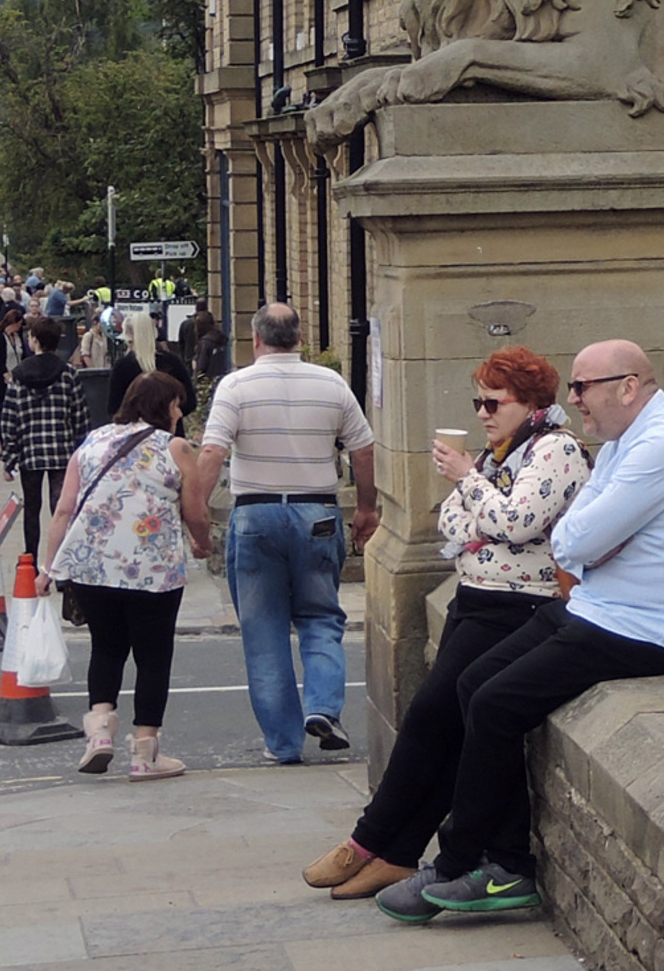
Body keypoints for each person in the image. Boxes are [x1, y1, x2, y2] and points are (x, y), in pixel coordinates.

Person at [374, 340, 664, 924]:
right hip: (603, 606)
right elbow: (573, 535)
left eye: (581, 387)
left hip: (648, 628)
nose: (571, 400)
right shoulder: (626, 441)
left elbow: (572, 539)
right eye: (571, 387)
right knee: (473, 683)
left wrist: (588, 540)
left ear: (628, 386)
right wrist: (588, 540)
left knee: (494, 703)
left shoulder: (663, 444)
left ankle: (466, 861)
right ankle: (507, 860)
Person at [303, 346, 590, 900]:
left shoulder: (555, 450)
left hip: (518, 603)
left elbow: (518, 521)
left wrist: (469, 482)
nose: (483, 413)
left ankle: (374, 842)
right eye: (478, 401)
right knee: (442, 724)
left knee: (431, 716)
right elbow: (454, 521)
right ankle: (392, 850)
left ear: (531, 403)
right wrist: (476, 491)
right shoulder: (499, 455)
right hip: (474, 597)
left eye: (494, 402)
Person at [191, 302, 377, 764]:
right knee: (320, 618)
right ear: (298, 337)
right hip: (317, 511)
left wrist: (195, 512)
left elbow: (213, 453)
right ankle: (324, 708)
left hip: (255, 514)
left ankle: (283, 744)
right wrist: (368, 507)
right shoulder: (331, 384)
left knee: (264, 630)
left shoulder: (235, 386)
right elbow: (364, 449)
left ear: (256, 339)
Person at [36, 370, 211, 780]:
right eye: (175, 403)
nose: (180, 411)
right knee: (153, 656)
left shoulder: (93, 442)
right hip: (153, 570)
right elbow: (196, 511)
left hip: (93, 568)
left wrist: (49, 567)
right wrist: (201, 542)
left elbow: (63, 510)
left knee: (107, 647)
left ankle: (99, 733)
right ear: (161, 406)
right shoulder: (176, 447)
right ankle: (145, 754)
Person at [0, 316, 89, 554]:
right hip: (62, 451)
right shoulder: (68, 374)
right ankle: (60, 560)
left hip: (30, 452)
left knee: (32, 508)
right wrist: (81, 450)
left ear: (35, 341)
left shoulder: (18, 375)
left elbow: (10, 419)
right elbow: (80, 416)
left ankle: (30, 560)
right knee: (60, 507)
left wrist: (9, 458)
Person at [106, 309, 197, 436]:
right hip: (170, 435)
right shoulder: (172, 362)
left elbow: (114, 408)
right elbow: (190, 402)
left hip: (135, 438)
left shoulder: (122, 367)